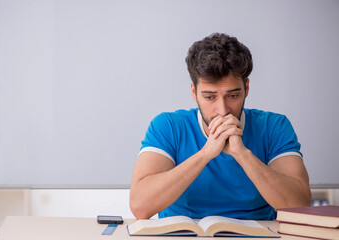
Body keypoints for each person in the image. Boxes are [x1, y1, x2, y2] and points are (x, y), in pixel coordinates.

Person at [129, 33, 311, 220]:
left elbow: (300, 207)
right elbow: (140, 207)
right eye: (210, 97)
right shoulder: (168, 126)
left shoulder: (274, 127)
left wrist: (242, 154)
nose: (223, 111)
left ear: (246, 88)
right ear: (194, 92)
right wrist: (205, 154)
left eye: (233, 96)